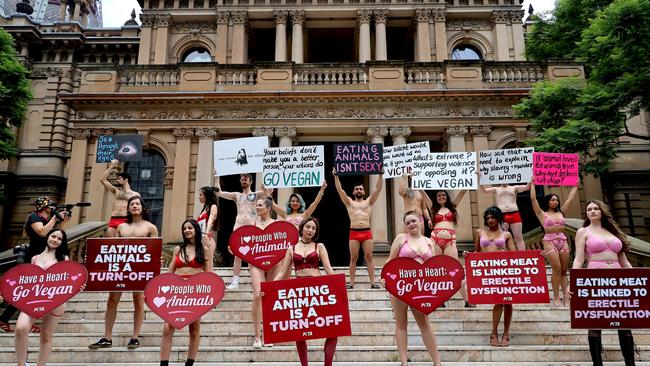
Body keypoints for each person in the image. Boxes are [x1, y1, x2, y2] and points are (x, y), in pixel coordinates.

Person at [89, 196, 159, 350]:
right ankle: (107, 337)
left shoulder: (150, 227)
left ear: (142, 207)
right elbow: (114, 248)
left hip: (140, 269)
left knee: (138, 300)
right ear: (128, 208)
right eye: (132, 204)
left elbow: (155, 251)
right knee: (112, 300)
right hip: (121, 268)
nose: (134, 206)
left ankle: (135, 337)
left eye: (137, 204)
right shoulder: (121, 227)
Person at [572, 200, 636, 366]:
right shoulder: (583, 231)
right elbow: (579, 258)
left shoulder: (613, 231)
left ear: (602, 211)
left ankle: (630, 362)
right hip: (594, 277)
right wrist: (574, 282)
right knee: (595, 321)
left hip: (617, 278)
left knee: (623, 320)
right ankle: (597, 363)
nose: (592, 211)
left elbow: (624, 261)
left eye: (595, 209)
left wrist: (637, 280)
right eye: (589, 209)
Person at [272, 217, 338, 365]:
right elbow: (283, 273)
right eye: (308, 227)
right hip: (300, 291)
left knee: (333, 328)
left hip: (319, 289)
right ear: (301, 228)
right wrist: (269, 288)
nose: (311, 230)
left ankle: (328, 364)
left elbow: (328, 269)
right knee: (299, 330)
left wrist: (339, 288)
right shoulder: (291, 248)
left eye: (314, 228)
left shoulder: (319, 246)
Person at [0, 196, 69, 333]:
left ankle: (7, 319)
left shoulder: (44, 220)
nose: (52, 208)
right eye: (50, 205)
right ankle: (17, 320)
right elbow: (42, 232)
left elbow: (51, 234)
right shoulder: (34, 217)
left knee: (31, 292)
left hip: (41, 258)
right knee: (28, 291)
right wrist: (55, 219)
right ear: (43, 206)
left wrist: (62, 221)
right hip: (31, 258)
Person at [382, 211, 441, 366]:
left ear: (421, 221)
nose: (411, 224)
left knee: (424, 323)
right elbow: (390, 261)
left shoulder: (429, 242)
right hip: (400, 287)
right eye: (407, 223)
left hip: (421, 288)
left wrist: (451, 282)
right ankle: (403, 362)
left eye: (413, 220)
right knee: (401, 323)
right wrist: (384, 278)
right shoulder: (401, 239)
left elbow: (434, 268)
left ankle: (437, 362)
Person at [11, 229, 77, 366]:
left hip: (56, 301)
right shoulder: (35, 258)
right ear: (47, 237)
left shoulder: (63, 259)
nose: (55, 240)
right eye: (53, 236)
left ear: (62, 242)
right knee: (21, 328)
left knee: (46, 336)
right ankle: (21, 364)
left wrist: (78, 286)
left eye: (59, 239)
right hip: (33, 299)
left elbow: (68, 281)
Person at [160, 219, 215, 366]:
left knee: (194, 329)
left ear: (196, 229)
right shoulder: (178, 249)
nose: (187, 231)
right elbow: (170, 272)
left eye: (190, 228)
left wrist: (211, 295)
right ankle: (163, 363)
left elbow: (209, 274)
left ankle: (189, 363)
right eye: (184, 228)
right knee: (167, 327)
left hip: (195, 293)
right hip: (176, 292)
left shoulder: (204, 249)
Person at [332, 168, 383, 289]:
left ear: (364, 191)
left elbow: (378, 189)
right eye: (356, 189)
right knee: (353, 258)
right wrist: (336, 176)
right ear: (353, 192)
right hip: (354, 232)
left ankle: (373, 282)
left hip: (366, 231)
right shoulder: (349, 202)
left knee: (369, 257)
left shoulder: (369, 201)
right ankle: (351, 282)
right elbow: (340, 190)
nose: (359, 190)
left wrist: (380, 175)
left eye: (360, 189)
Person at [530, 181, 578, 306]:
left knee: (563, 270)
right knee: (556, 268)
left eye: (556, 200)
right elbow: (533, 199)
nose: (555, 202)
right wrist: (532, 184)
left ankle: (566, 297)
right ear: (547, 202)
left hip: (562, 240)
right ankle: (556, 297)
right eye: (552, 200)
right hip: (549, 240)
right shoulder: (542, 214)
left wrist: (575, 185)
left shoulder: (561, 212)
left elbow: (570, 199)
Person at [217, 173, 269, 290]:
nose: (243, 181)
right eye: (242, 179)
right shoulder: (237, 195)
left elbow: (268, 192)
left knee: (254, 253)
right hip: (239, 226)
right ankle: (235, 281)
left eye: (246, 179)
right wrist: (216, 176)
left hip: (252, 225)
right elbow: (219, 192)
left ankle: (256, 278)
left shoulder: (255, 195)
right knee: (237, 254)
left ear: (250, 181)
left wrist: (265, 185)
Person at [474, 207, 516, 347]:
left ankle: (506, 333)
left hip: (504, 269)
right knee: (499, 301)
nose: (490, 220)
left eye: (493, 217)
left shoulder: (507, 234)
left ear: (498, 218)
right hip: (488, 271)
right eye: (488, 218)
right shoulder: (480, 232)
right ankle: (494, 332)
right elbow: (477, 252)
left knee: (508, 302)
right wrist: (469, 256)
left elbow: (514, 254)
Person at [428, 190, 473, 307]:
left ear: (447, 197)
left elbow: (463, 192)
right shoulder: (432, 208)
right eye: (439, 195)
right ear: (435, 198)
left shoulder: (453, 207)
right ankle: (440, 299)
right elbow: (422, 192)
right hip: (435, 239)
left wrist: (472, 178)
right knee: (437, 270)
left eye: (443, 195)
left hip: (450, 240)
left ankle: (467, 299)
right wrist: (414, 180)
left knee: (456, 269)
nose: (441, 197)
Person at [478, 177, 531, 250]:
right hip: (503, 215)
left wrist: (531, 177)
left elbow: (527, 187)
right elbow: (484, 191)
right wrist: (479, 178)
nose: (503, 180)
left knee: (518, 237)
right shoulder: (496, 189)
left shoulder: (514, 187)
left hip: (514, 214)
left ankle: (523, 257)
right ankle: (503, 255)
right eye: (502, 178)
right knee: (502, 237)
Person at [100, 159, 140, 238]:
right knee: (111, 242)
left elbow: (138, 209)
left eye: (119, 178)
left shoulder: (135, 194)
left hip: (125, 219)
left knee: (123, 243)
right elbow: (103, 180)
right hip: (114, 219)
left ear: (126, 180)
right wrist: (111, 166)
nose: (117, 180)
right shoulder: (116, 191)